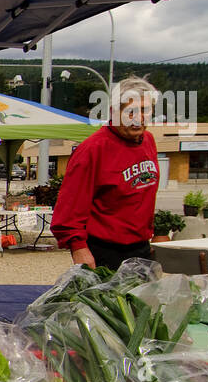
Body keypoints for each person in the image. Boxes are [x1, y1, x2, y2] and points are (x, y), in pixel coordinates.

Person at [51, 76, 160, 271]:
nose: (138, 118)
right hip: (104, 251)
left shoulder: (148, 141)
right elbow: (69, 208)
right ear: (113, 112)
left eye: (144, 110)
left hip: (141, 247)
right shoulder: (92, 150)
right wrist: (78, 248)